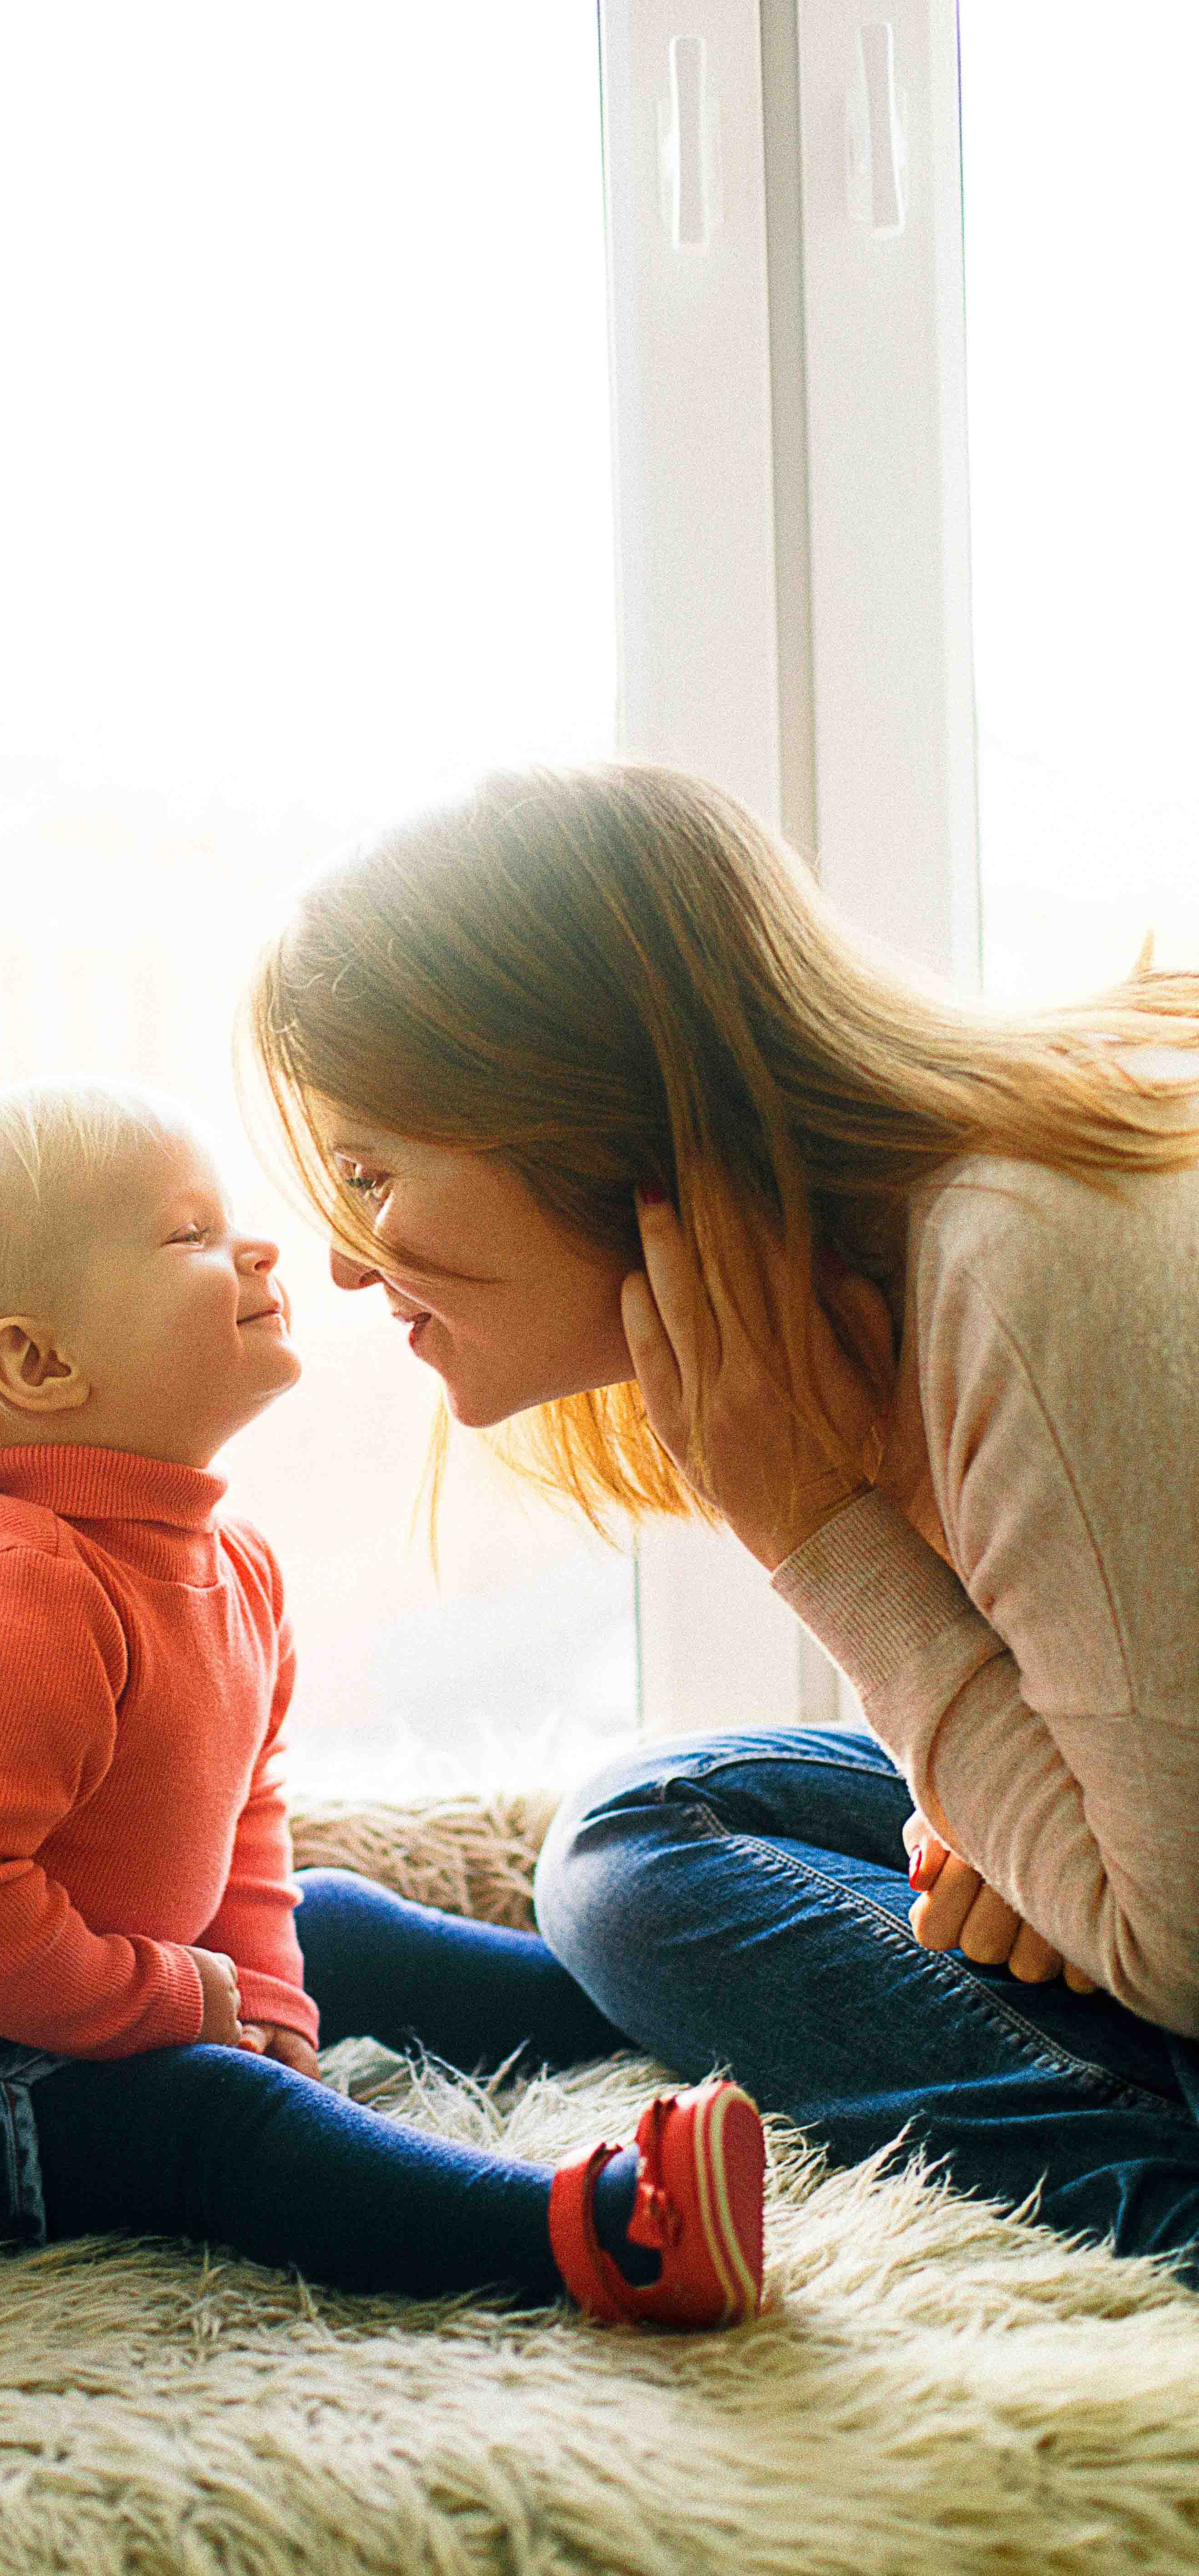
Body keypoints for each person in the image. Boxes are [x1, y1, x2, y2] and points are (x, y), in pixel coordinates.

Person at [243, 757, 1199, 2277]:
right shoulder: (913, 1261)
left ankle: (1156, 2202)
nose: (353, 1265)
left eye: (372, 1174)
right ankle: (683, 2008)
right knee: (649, 1823)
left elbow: (1175, 1947)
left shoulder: (1018, 1266)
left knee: (638, 1862)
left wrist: (821, 1533)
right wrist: (1001, 1825)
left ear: (575, 1110)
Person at [0, 1077, 767, 2331]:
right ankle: (599, 2233)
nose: (261, 1245)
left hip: (41, 1975)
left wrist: (264, 1998)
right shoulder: (22, 1599)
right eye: (189, 1236)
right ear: (39, 1364)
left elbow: (243, 1820)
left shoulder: (234, 1568)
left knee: (335, 1919)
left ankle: (685, 2010)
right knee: (214, 2120)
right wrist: (171, 2007)